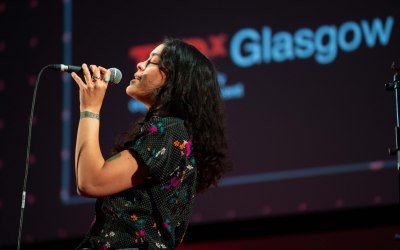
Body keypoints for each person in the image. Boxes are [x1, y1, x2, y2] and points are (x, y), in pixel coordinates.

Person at [71, 37, 232, 250]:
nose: (139, 64)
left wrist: (90, 109)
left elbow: (90, 181)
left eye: (151, 61)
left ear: (174, 78)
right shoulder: (168, 132)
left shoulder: (169, 133)